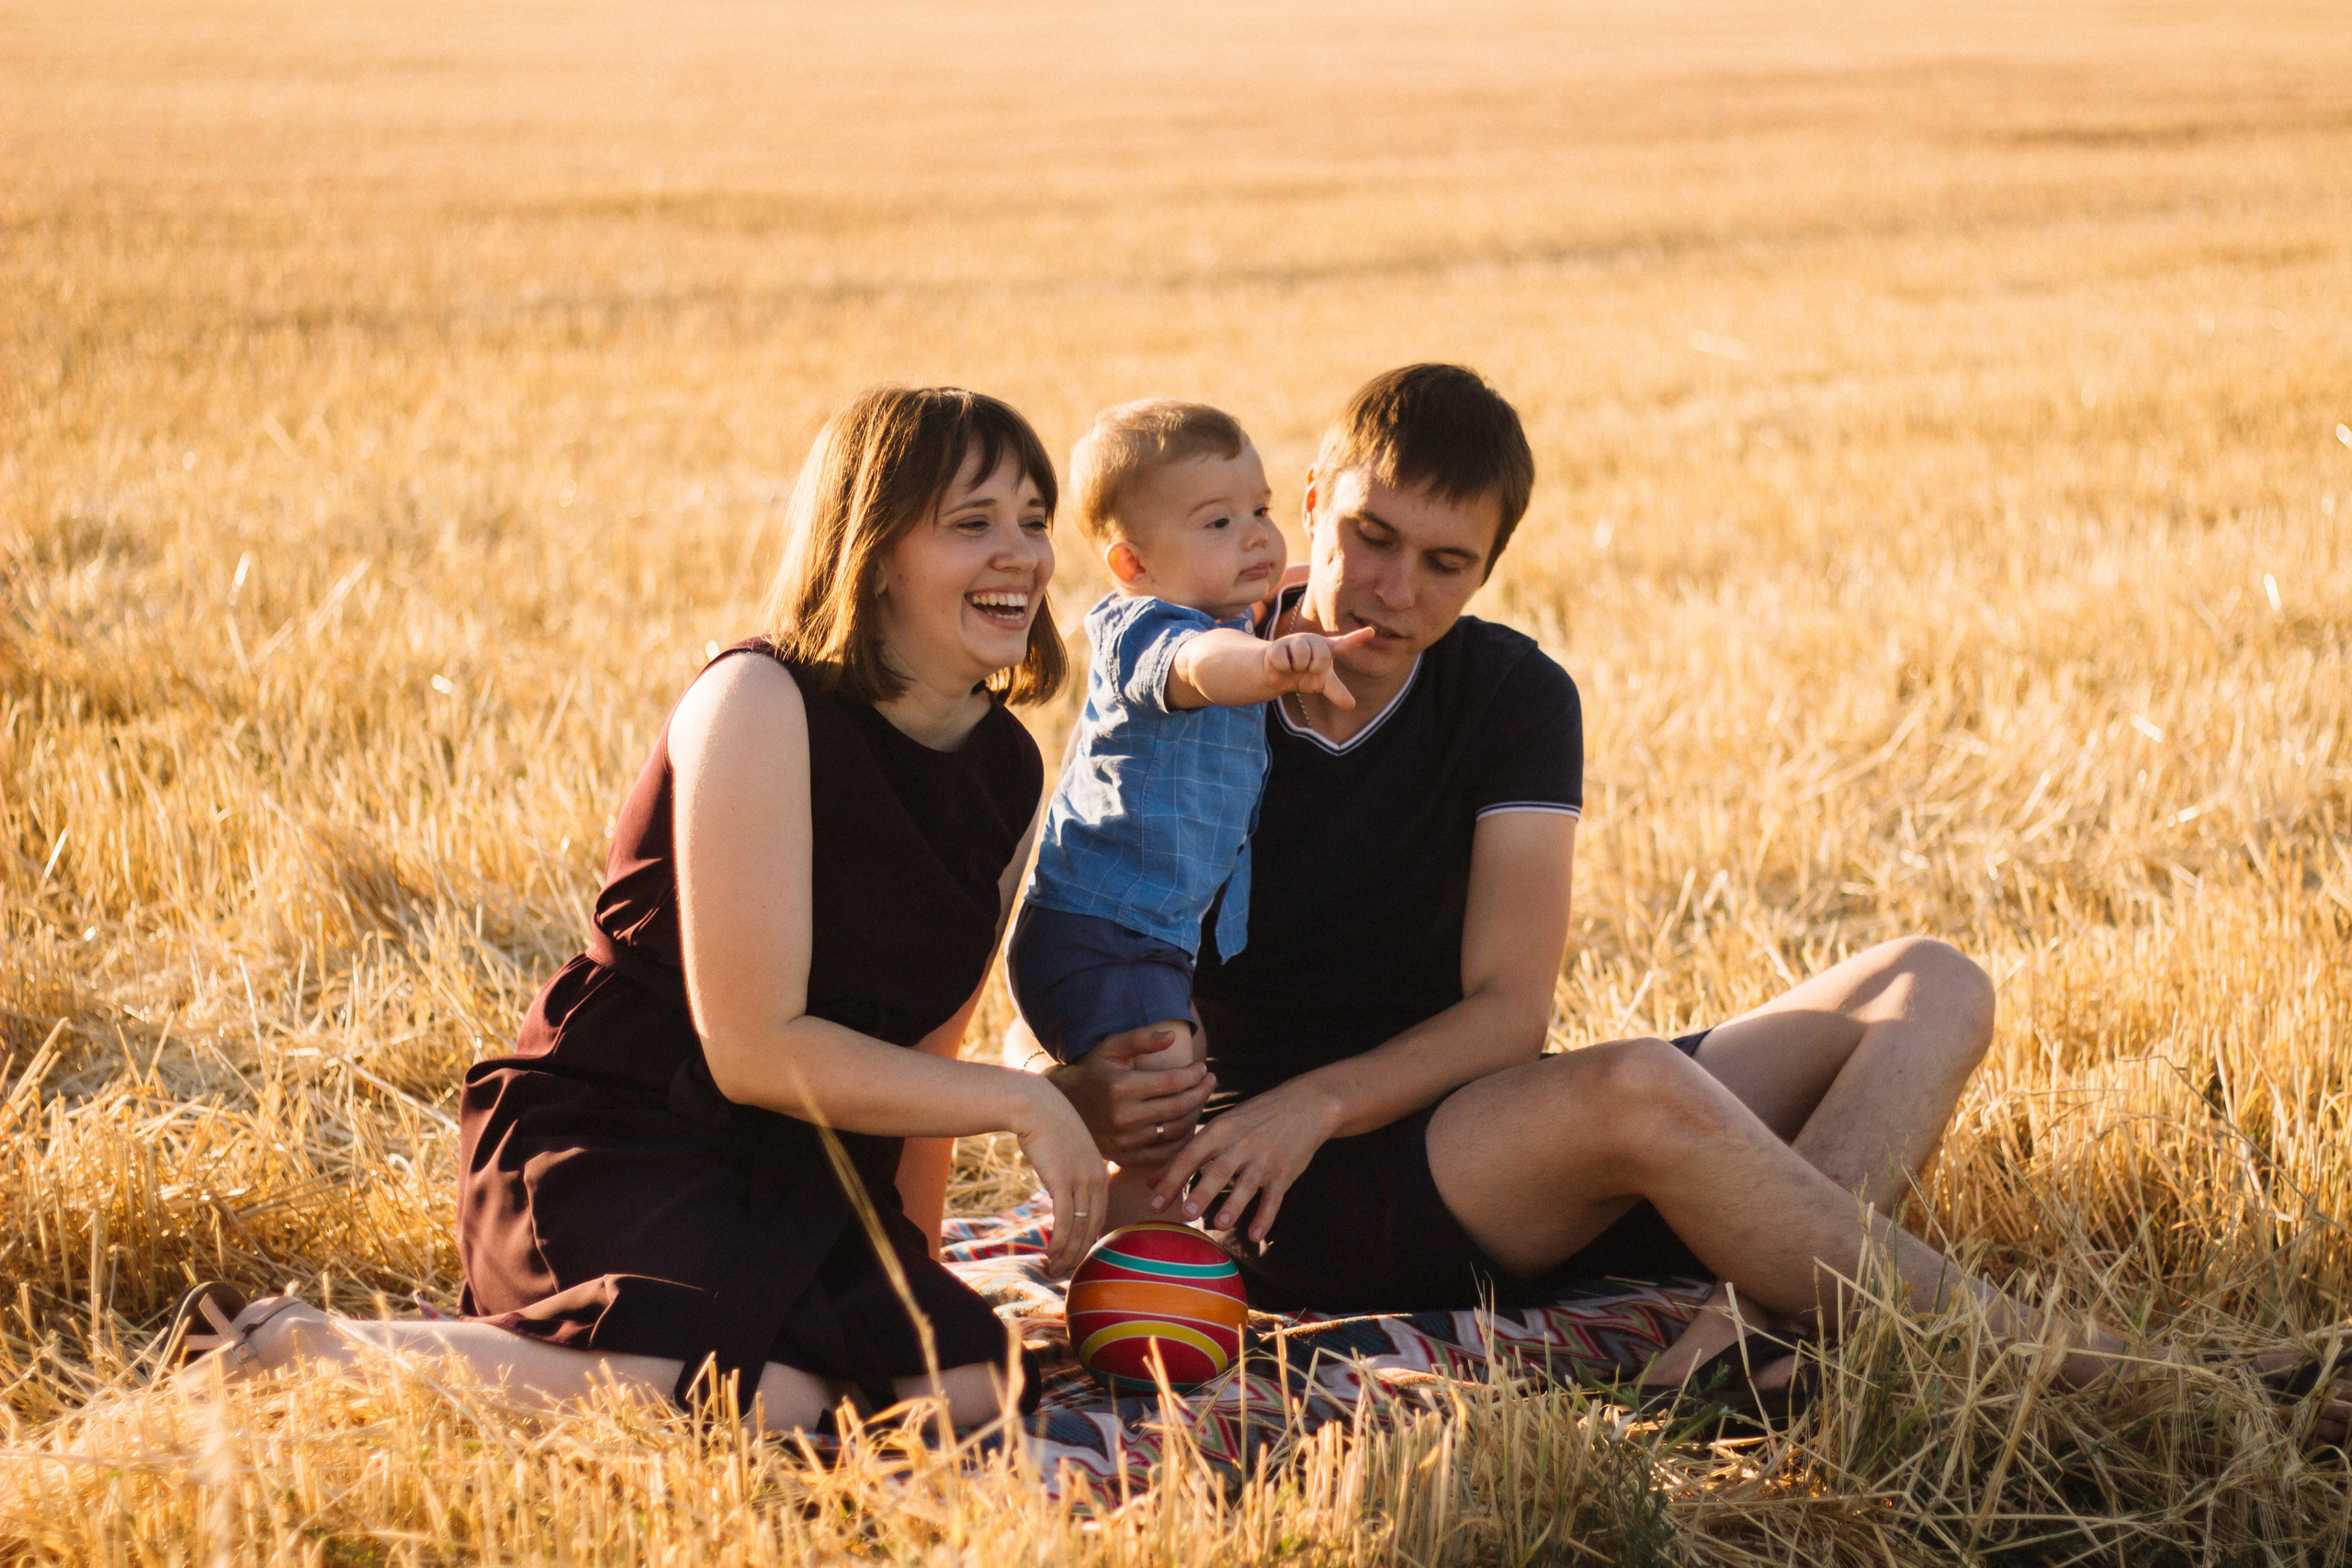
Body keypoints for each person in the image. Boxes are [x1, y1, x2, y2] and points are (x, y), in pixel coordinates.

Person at [1041, 363, 2352, 1437]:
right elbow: (1075, 919)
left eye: (1447, 562)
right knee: (1639, 1092)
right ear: (1313, 500)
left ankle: (1759, 1322)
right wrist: (1096, 1094)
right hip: (1276, 1182)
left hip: (1461, 1126)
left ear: (1489, 569)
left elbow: (1507, 1012)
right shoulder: (1197, 671)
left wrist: (1330, 1093)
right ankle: (2148, 1381)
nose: (1395, 588)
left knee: (1931, 977)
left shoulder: (1510, 694)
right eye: (1369, 536)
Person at [159, 386, 1113, 1434]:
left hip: (805, 1166)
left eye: (1033, 518)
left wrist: (912, 1274)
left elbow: (932, 1048)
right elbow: (752, 1048)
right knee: (778, 1401)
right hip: (621, 1134)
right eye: (972, 524)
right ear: (875, 548)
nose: (1021, 552)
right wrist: (1026, 1102)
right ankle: (305, 1350)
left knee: (968, 1388)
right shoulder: (758, 703)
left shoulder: (1007, 769)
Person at [1007, 400, 1368, 1228]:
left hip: (1152, 937)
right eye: (1217, 522)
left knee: (1174, 1082)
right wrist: (1278, 661)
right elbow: (1203, 668)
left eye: (1261, 510)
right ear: (1131, 562)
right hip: (1098, 928)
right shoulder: (1140, 629)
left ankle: (1136, 1236)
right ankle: (1130, 1251)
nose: (1255, 537)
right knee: (1163, 1099)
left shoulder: (1233, 615)